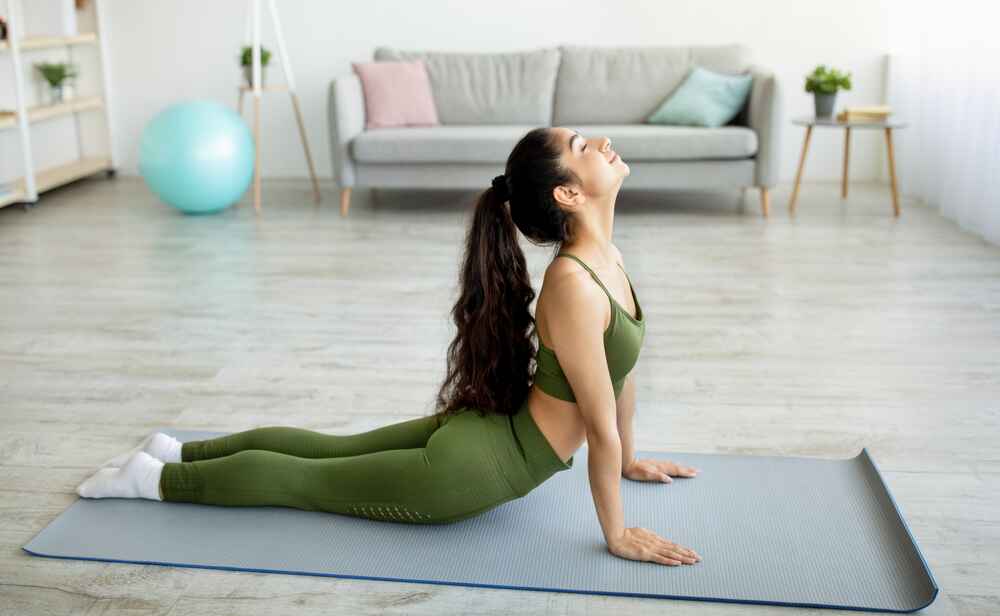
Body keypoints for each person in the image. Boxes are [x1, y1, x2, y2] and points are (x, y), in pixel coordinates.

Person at [77, 127, 702, 567]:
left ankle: (180, 451)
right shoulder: (574, 283)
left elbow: (620, 372)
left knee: (329, 453)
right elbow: (596, 419)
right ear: (568, 193)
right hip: (474, 470)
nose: (599, 144)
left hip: (490, 435)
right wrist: (616, 532)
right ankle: (155, 480)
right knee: (306, 481)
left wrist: (628, 460)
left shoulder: (605, 261)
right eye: (580, 145)